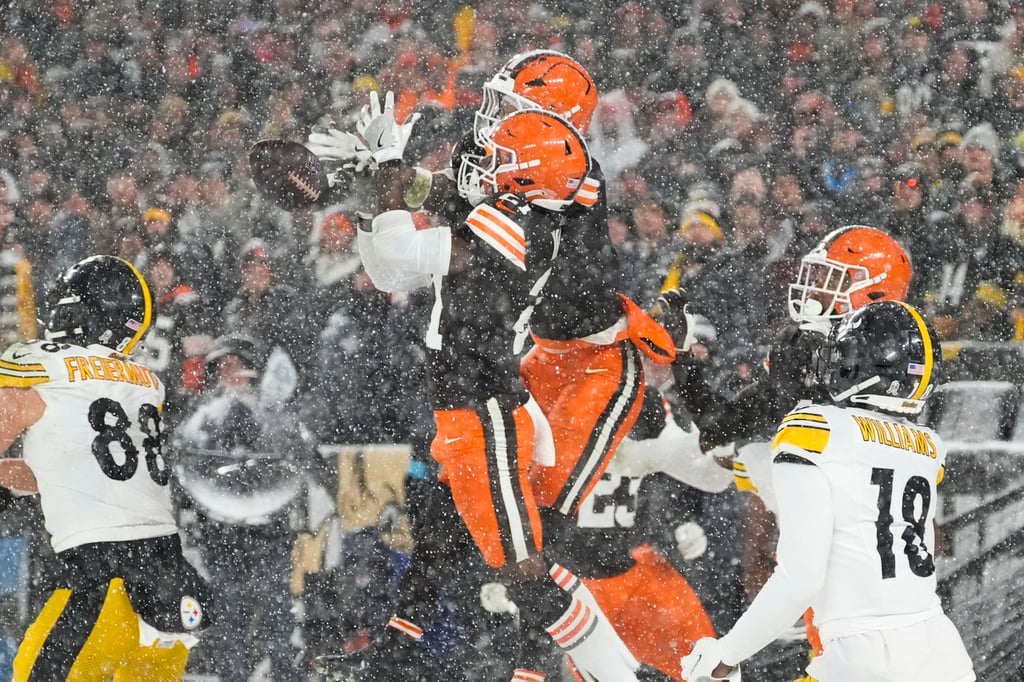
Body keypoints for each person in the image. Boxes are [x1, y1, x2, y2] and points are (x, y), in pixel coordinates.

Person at [351, 96, 657, 682]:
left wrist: (388, 165)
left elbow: (399, 252)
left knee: (527, 571)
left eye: (503, 157)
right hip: (473, 407)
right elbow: (389, 271)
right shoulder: (524, 218)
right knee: (518, 564)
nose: (487, 164)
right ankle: (623, 671)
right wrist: (371, 202)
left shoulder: (515, 221)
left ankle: (623, 674)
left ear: (527, 173)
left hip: (484, 410)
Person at [681, 300, 976, 682]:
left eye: (844, 352)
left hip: (864, 657)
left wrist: (727, 653)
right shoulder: (928, 445)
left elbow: (800, 579)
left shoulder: (815, 430)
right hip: (943, 653)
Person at [0, 255, 212, 681]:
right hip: (170, 588)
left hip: (101, 578)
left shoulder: (41, 364)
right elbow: (75, 465)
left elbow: (11, 413)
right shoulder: (145, 382)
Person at [173, 334, 315, 682]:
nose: (229, 373)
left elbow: (295, 454)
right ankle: (231, 674)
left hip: (269, 529)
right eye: (222, 366)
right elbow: (186, 459)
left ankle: (284, 674)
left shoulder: (273, 411)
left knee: (276, 613)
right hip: (222, 532)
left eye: (235, 364)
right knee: (226, 617)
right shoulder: (204, 415)